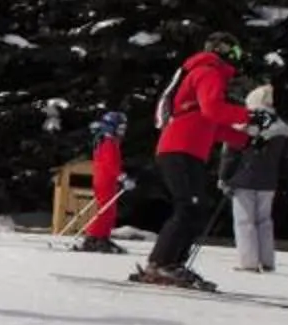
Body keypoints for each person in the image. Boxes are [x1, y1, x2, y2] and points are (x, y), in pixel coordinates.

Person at [138, 32, 252, 290]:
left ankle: (170, 263)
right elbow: (213, 109)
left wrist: (245, 139)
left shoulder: (204, 72)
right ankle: (162, 264)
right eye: (235, 54)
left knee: (195, 208)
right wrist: (250, 116)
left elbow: (210, 123)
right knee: (188, 207)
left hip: (185, 149)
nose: (237, 61)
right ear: (226, 52)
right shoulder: (208, 71)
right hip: (180, 149)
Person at [225, 89, 288, 273]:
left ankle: (249, 262)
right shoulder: (283, 129)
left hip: (243, 179)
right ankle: (267, 261)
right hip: (268, 181)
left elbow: (231, 153)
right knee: (265, 221)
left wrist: (224, 176)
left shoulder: (245, 124)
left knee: (244, 222)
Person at [77, 109, 129, 253]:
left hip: (107, 180)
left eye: (123, 129)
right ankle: (93, 237)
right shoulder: (107, 143)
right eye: (120, 128)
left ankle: (102, 237)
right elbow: (110, 164)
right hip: (104, 180)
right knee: (106, 210)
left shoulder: (110, 141)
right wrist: (121, 176)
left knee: (110, 210)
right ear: (111, 127)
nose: (122, 132)